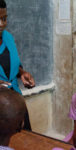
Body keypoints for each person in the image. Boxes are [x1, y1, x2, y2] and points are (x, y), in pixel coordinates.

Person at [0, 0, 35, 130]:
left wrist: (22, 73)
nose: (1, 24)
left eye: (4, 18)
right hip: (1, 110)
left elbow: (11, 65)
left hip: (15, 101)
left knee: (24, 138)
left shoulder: (8, 37)